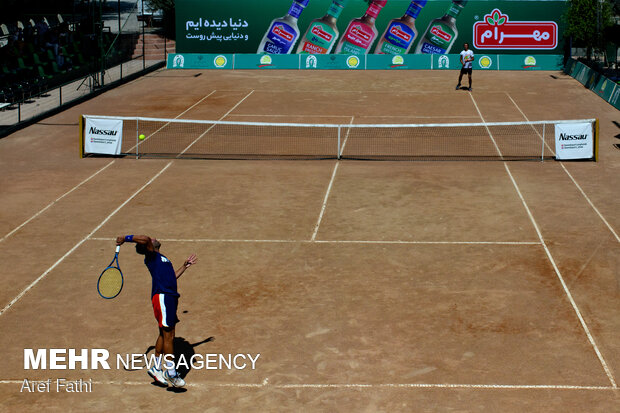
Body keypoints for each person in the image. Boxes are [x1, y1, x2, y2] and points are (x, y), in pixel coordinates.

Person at [116, 234, 197, 388]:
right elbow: (145, 239)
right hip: (163, 297)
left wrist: (184, 266)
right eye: (151, 241)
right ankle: (171, 373)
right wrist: (124, 238)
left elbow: (172, 277)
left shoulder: (162, 259)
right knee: (168, 335)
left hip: (170, 297)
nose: (153, 238)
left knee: (166, 334)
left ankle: (156, 368)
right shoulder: (151, 256)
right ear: (148, 247)